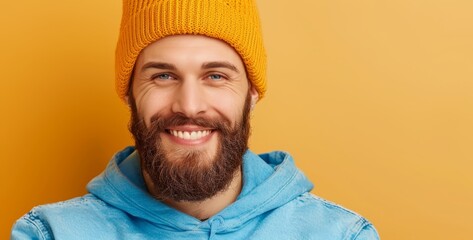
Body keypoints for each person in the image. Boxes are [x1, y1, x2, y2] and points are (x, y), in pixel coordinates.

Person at [11, 0, 379, 239]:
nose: (189, 105)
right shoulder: (49, 234)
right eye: (163, 76)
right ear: (128, 94)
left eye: (216, 76)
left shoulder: (341, 235)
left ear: (252, 94)